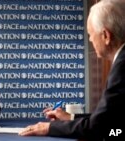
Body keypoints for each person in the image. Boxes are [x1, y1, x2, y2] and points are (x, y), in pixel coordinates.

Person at [19, 0, 125, 140]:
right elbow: (107, 120)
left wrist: (49, 128)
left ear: (105, 35)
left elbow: (100, 128)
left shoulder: (122, 66)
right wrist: (71, 117)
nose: (90, 40)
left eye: (90, 34)